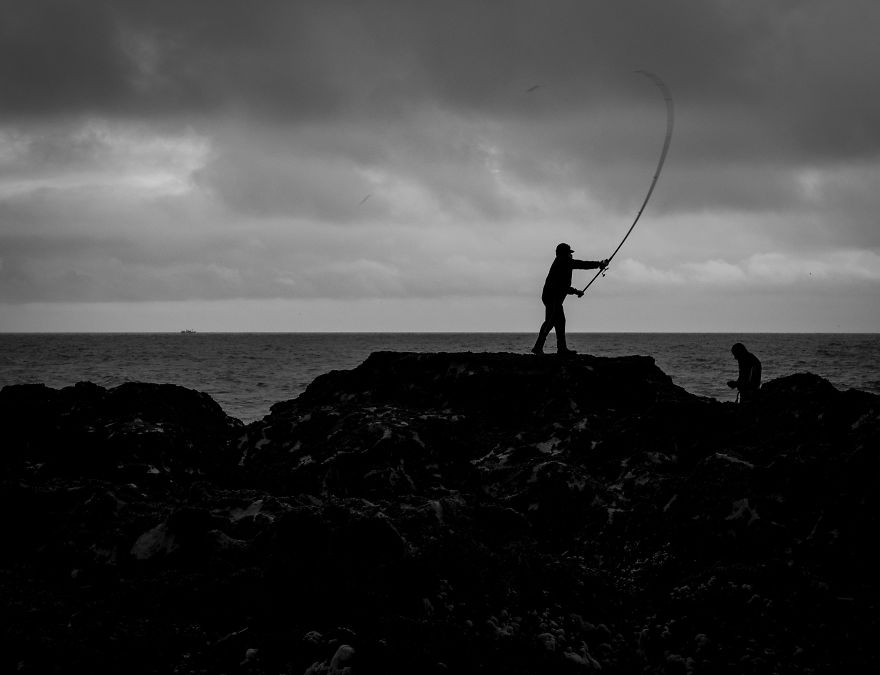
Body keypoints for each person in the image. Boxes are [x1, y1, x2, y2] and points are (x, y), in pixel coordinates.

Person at [531, 243, 608, 356]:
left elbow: (563, 286)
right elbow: (581, 264)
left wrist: (576, 291)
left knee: (559, 321)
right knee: (551, 321)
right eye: (569, 253)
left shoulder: (562, 263)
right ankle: (539, 348)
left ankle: (560, 349)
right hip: (552, 298)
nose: (571, 255)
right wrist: (599, 264)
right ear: (565, 253)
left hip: (552, 297)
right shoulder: (563, 261)